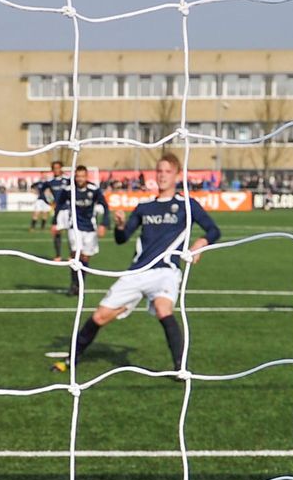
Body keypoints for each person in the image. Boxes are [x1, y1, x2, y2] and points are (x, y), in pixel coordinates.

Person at [51, 153, 221, 378]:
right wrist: (120, 226)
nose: (162, 176)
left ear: (177, 175)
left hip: (166, 271)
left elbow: (214, 230)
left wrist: (200, 243)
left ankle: (180, 368)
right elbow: (122, 239)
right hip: (137, 271)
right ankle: (71, 359)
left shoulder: (186, 205)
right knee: (101, 316)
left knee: (163, 309)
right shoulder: (144, 206)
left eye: (167, 172)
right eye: (159, 171)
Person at [51, 165, 109, 296]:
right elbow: (59, 205)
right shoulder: (69, 189)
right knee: (74, 255)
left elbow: (105, 206)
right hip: (74, 227)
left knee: (85, 258)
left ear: (86, 176)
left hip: (90, 228)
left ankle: (81, 283)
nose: (80, 179)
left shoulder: (94, 189)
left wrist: (104, 224)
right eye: (77, 176)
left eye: (82, 176)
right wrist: (54, 222)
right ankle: (74, 285)